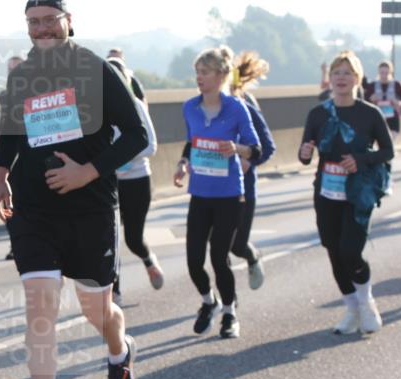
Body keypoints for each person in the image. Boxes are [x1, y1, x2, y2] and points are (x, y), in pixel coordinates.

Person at [0, 0, 147, 379]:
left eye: (48, 19)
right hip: (34, 210)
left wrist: (87, 172)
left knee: (95, 309)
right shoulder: (24, 76)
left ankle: (120, 353)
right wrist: (1, 176)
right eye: (32, 22)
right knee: (40, 307)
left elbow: (136, 134)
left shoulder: (95, 70)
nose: (41, 29)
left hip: (90, 207)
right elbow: (12, 130)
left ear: (68, 20)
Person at [299, 51, 393, 334]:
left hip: (357, 192)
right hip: (326, 191)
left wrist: (361, 159)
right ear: (330, 79)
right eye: (337, 72)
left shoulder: (369, 114)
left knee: (350, 251)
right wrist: (304, 153)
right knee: (333, 250)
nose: (341, 78)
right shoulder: (318, 113)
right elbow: (306, 153)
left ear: (357, 78)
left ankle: (366, 303)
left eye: (347, 72)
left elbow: (388, 151)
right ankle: (352, 309)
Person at [173, 46, 260, 339]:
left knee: (219, 257)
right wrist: (183, 163)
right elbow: (192, 141)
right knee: (193, 261)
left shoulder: (236, 108)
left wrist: (237, 149)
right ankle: (207, 302)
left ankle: (229, 313)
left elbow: (256, 148)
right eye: (197, 72)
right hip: (200, 193)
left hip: (228, 195)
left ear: (221, 75)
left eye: (205, 72)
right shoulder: (189, 107)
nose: (199, 77)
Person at [106, 54, 164, 305]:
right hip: (110, 182)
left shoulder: (137, 106)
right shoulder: (98, 109)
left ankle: (148, 259)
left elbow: (150, 145)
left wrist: (122, 155)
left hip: (138, 180)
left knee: (132, 238)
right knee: (110, 238)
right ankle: (114, 290)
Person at [228, 51, 276, 289]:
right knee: (218, 247)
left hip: (243, 190)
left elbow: (267, 146)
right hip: (214, 190)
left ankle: (252, 256)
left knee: (237, 245)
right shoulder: (202, 109)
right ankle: (226, 304)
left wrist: (248, 162)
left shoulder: (244, 105)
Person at [0, 56, 25, 261]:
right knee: (10, 199)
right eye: (10, 69)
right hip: (11, 145)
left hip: (28, 146)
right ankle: (15, 241)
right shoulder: (5, 94)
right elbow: (7, 119)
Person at [364, 60, 401, 140]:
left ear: (390, 72)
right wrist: (371, 99)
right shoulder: (372, 85)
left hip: (392, 118)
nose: (384, 75)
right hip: (377, 118)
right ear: (378, 72)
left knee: (390, 141)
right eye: (382, 73)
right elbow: (364, 101)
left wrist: (398, 103)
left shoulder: (396, 85)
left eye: (386, 73)